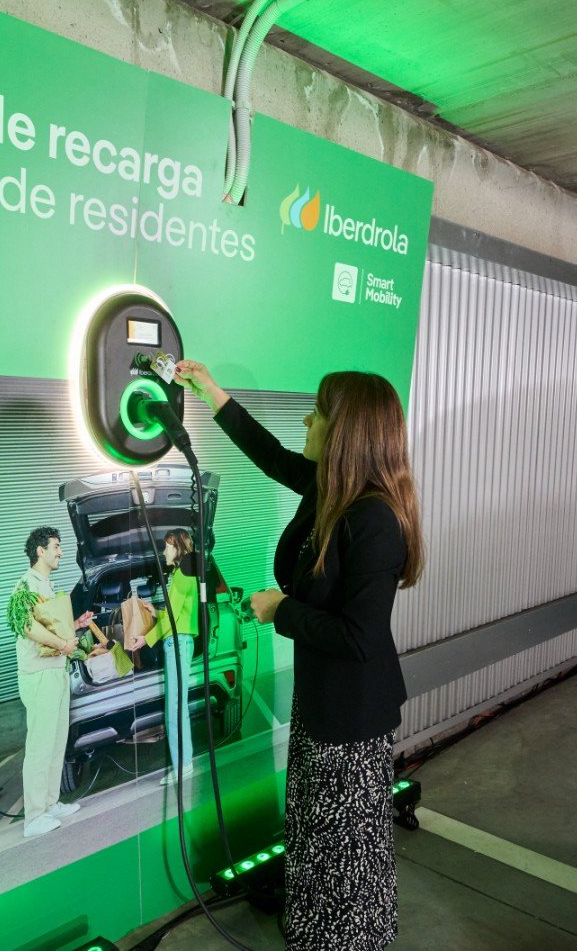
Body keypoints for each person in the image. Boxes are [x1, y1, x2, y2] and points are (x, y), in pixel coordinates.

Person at [175, 360, 422, 951]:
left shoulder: (375, 519)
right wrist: (210, 392)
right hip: (322, 701)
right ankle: (315, 930)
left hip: (354, 717)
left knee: (345, 843)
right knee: (313, 831)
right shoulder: (327, 489)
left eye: (317, 412)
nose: (306, 420)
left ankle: (349, 937)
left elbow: (360, 637)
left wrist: (279, 609)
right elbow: (270, 454)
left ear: (344, 433)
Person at [126, 529, 226, 786]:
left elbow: (172, 621)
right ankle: (185, 763)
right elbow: (177, 616)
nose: (164, 551)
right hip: (183, 641)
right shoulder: (188, 576)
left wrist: (144, 640)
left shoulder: (181, 575)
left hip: (177, 644)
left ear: (176, 546)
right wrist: (155, 610)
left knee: (174, 708)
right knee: (177, 705)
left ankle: (183, 766)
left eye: (167, 547)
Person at [8, 527, 87, 837]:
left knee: (56, 741)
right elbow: (27, 626)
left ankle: (51, 803)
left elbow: (52, 624)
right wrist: (61, 643)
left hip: (55, 670)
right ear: (39, 551)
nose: (61, 552)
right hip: (38, 674)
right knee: (40, 745)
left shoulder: (48, 585)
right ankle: (34, 818)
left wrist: (76, 626)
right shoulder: (25, 585)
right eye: (56, 546)